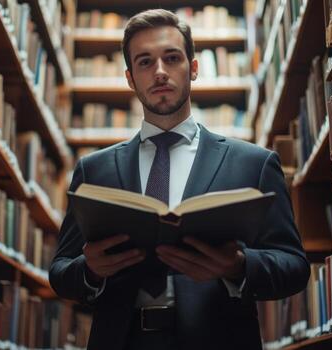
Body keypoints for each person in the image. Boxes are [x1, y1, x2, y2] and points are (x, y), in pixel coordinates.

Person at [49, 9, 310, 350]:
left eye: (171, 58)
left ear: (194, 68)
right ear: (130, 78)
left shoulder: (254, 164)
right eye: (144, 62)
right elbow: (60, 272)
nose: (159, 72)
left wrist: (238, 266)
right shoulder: (93, 170)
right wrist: (91, 271)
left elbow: (294, 266)